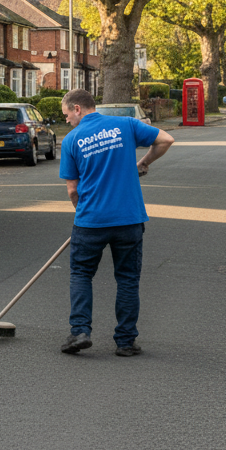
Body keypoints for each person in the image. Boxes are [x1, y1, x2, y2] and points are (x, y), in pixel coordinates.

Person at [58, 88, 175, 357]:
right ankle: (125, 341)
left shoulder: (72, 140)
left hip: (90, 221)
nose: (66, 121)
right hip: (128, 219)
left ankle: (79, 332)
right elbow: (166, 139)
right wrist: (143, 162)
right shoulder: (126, 125)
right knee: (127, 279)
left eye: (66, 114)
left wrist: (82, 212)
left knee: (81, 274)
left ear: (77, 108)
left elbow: (72, 190)